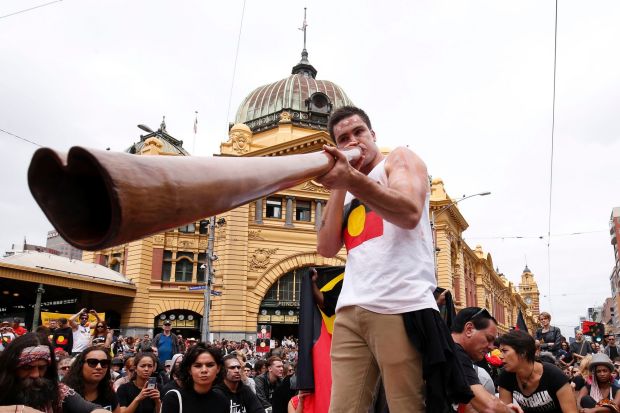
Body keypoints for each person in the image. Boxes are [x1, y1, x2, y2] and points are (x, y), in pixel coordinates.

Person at [316, 105, 440, 412]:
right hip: (350, 310)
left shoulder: (399, 159)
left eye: (358, 132)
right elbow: (327, 246)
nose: (353, 141)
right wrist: (339, 181)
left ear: (372, 135)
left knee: (406, 406)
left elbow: (409, 212)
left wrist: (352, 180)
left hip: (399, 303)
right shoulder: (345, 187)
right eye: (343, 138)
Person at [0, 333, 108, 413]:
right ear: (12, 368)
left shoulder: (57, 391)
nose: (36, 374)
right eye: (27, 367)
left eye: (42, 367)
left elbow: (93, 409)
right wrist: (18, 410)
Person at [451, 307, 523, 413]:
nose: (491, 347)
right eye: (489, 339)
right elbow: (489, 406)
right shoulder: (455, 353)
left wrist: (503, 408)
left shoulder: (451, 350)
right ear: (469, 329)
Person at [498, 330, 577, 413]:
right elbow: (504, 409)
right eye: (500, 351)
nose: (500, 356)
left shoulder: (554, 375)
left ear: (523, 352)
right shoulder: (506, 375)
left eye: (504, 351)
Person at [160, 343, 228, 413]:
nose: (204, 370)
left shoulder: (222, 399)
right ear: (189, 370)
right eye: (198, 366)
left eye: (210, 365)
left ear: (218, 368)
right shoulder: (174, 399)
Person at [62, 346, 120, 413]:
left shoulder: (109, 393)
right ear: (81, 365)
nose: (99, 367)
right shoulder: (64, 393)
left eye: (104, 363)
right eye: (92, 362)